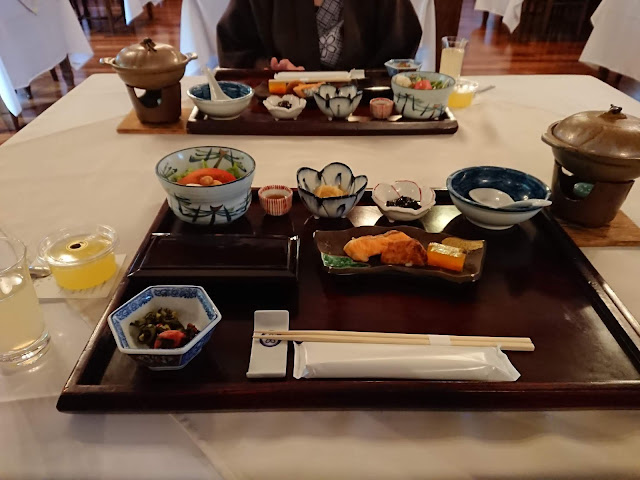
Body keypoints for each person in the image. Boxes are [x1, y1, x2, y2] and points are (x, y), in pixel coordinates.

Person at [217, 0, 422, 70]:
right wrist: (270, 71)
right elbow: (235, 47)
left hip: (362, 115)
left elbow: (399, 55)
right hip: (279, 114)